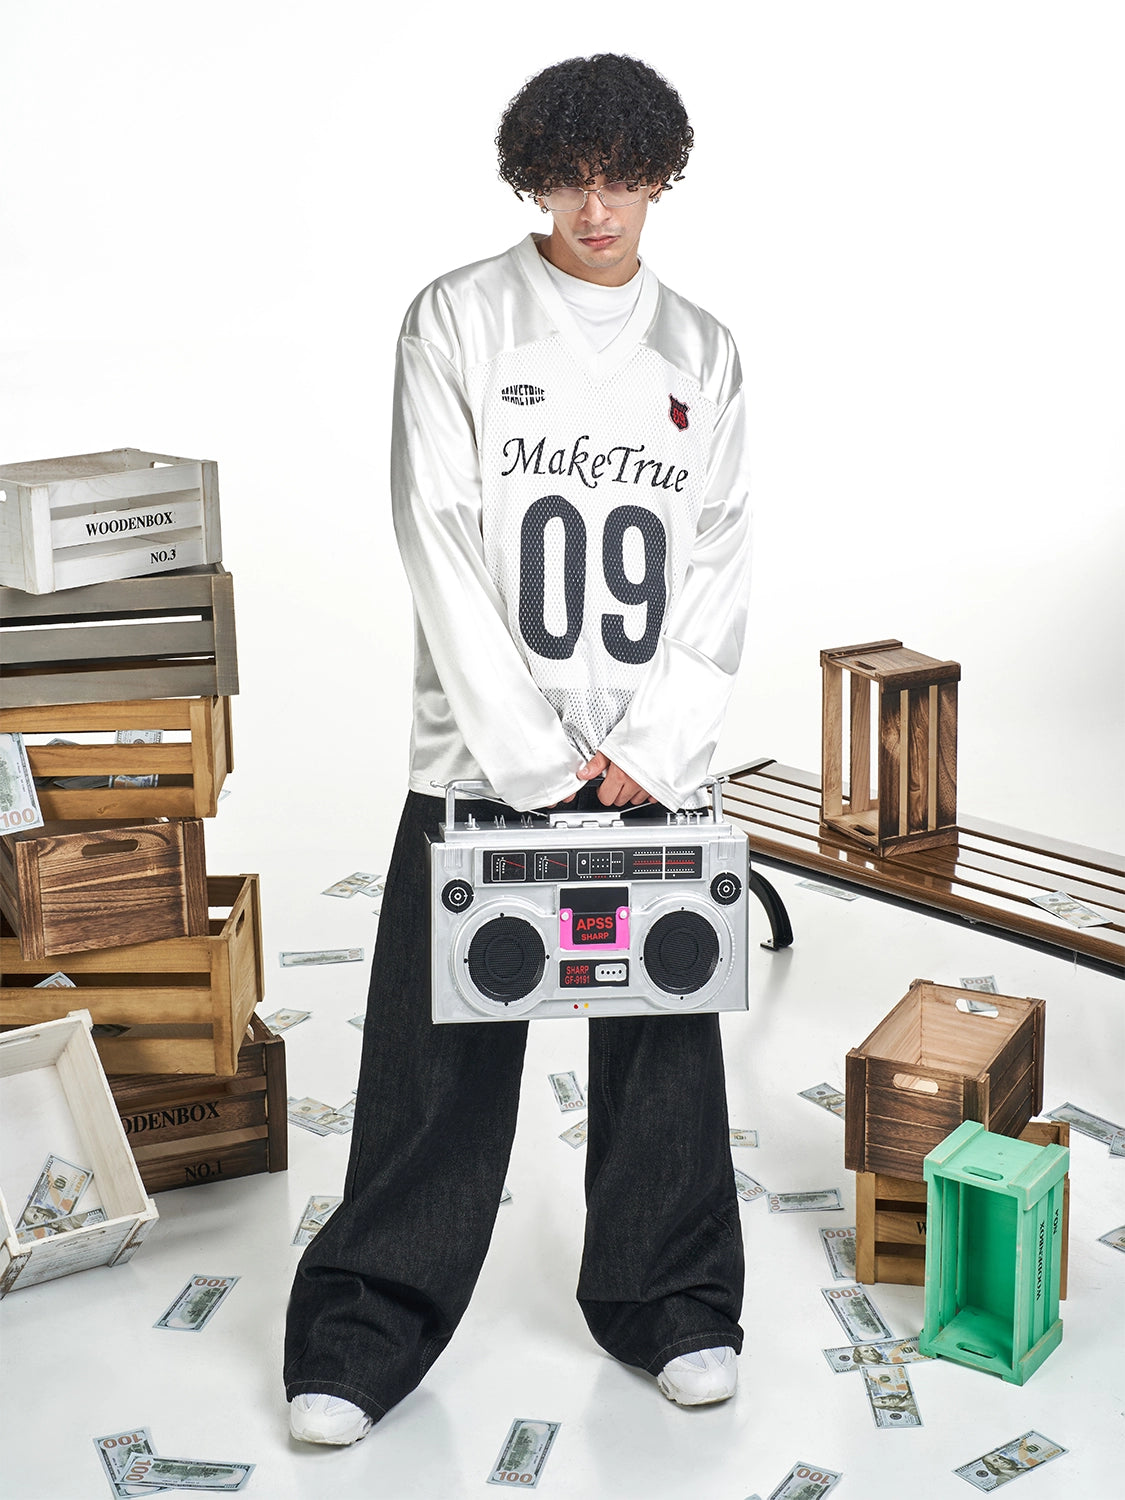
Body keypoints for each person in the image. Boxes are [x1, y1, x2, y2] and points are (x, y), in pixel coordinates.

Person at [285, 51, 752, 1446]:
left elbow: (720, 556)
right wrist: (532, 757)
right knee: (438, 1054)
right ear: (534, 179)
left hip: (648, 760)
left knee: (661, 1037)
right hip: (482, 760)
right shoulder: (458, 319)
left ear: (662, 179)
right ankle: (365, 1329)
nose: (596, 210)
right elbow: (433, 531)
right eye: (570, 180)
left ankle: (673, 1305)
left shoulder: (704, 351)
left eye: (623, 180)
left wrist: (656, 741)